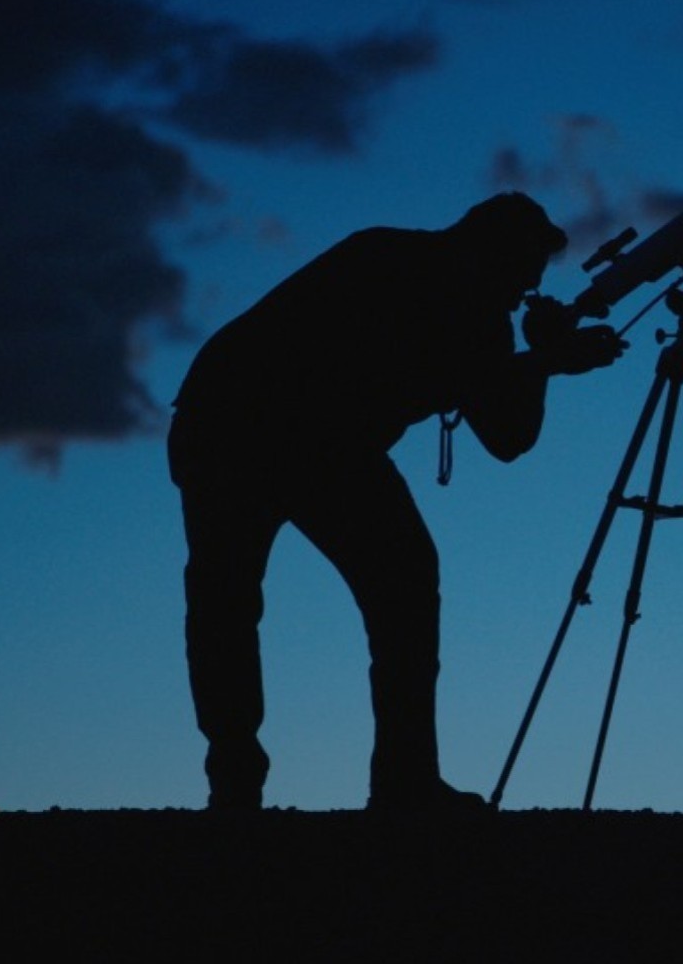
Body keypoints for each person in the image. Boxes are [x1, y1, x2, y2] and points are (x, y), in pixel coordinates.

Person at [167, 193, 624, 812]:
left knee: (338, 588)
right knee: (237, 596)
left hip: (296, 436)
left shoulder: (467, 305)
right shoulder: (394, 263)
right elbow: (447, 378)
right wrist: (543, 359)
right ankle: (262, 780)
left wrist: (540, 361)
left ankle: (379, 780)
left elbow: (508, 438)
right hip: (247, 424)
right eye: (522, 275)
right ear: (491, 253)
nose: (524, 294)